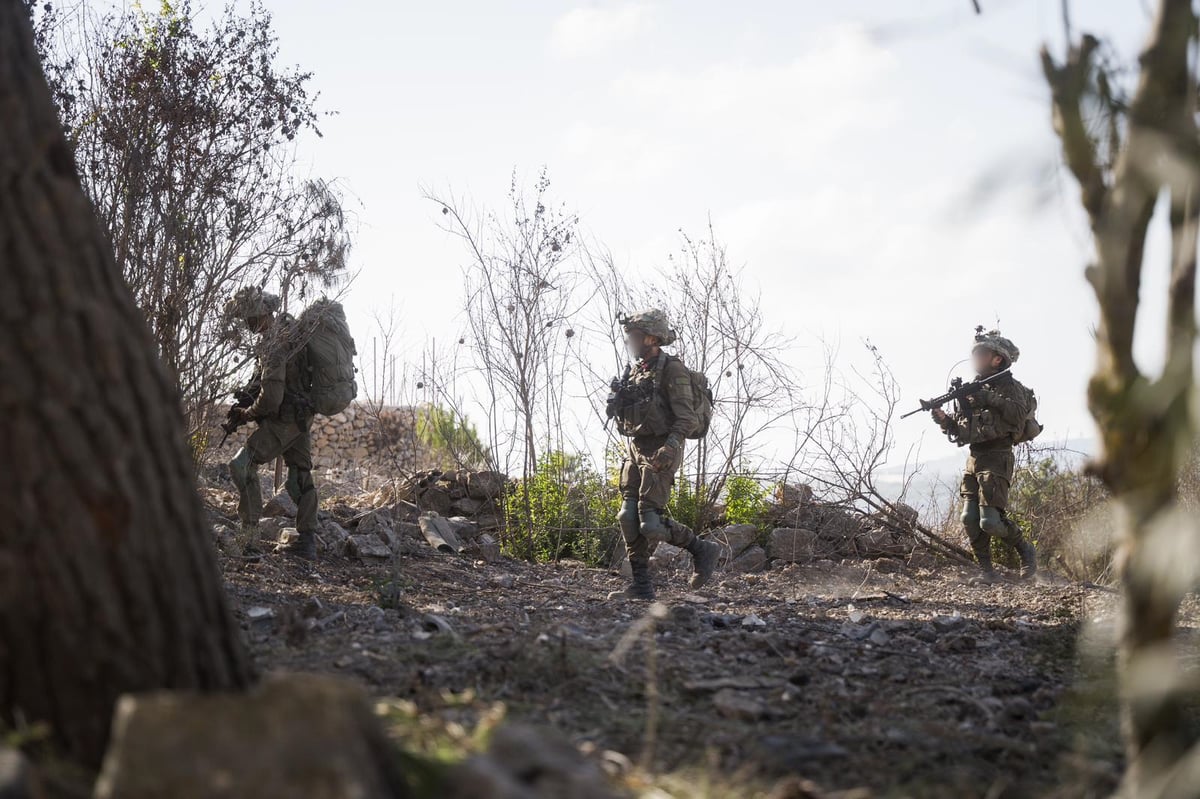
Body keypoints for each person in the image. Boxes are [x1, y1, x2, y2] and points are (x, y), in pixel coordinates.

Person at [607, 309, 720, 599]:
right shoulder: (636, 370)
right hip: (636, 448)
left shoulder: (672, 370)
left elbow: (687, 419)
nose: (630, 340)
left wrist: (669, 447)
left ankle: (702, 549)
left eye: (634, 336)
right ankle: (641, 587)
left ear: (652, 338)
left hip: (662, 448)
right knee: (626, 516)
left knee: (651, 523)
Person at [932, 328, 1038, 582]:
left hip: (998, 457)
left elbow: (1015, 416)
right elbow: (962, 433)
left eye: (982, 353)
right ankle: (986, 572)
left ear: (997, 359)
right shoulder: (972, 390)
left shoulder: (1012, 388)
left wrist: (987, 396)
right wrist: (945, 420)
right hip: (975, 458)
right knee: (968, 518)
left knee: (990, 521)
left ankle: (1025, 550)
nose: (976, 358)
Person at [224, 287, 318, 560]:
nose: (247, 325)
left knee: (242, 465)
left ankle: (249, 539)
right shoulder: (290, 332)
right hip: (301, 415)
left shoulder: (275, 343)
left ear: (261, 315)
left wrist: (248, 414)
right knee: (300, 475)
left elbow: (272, 398)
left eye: (250, 319)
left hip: (285, 419)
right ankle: (307, 543)